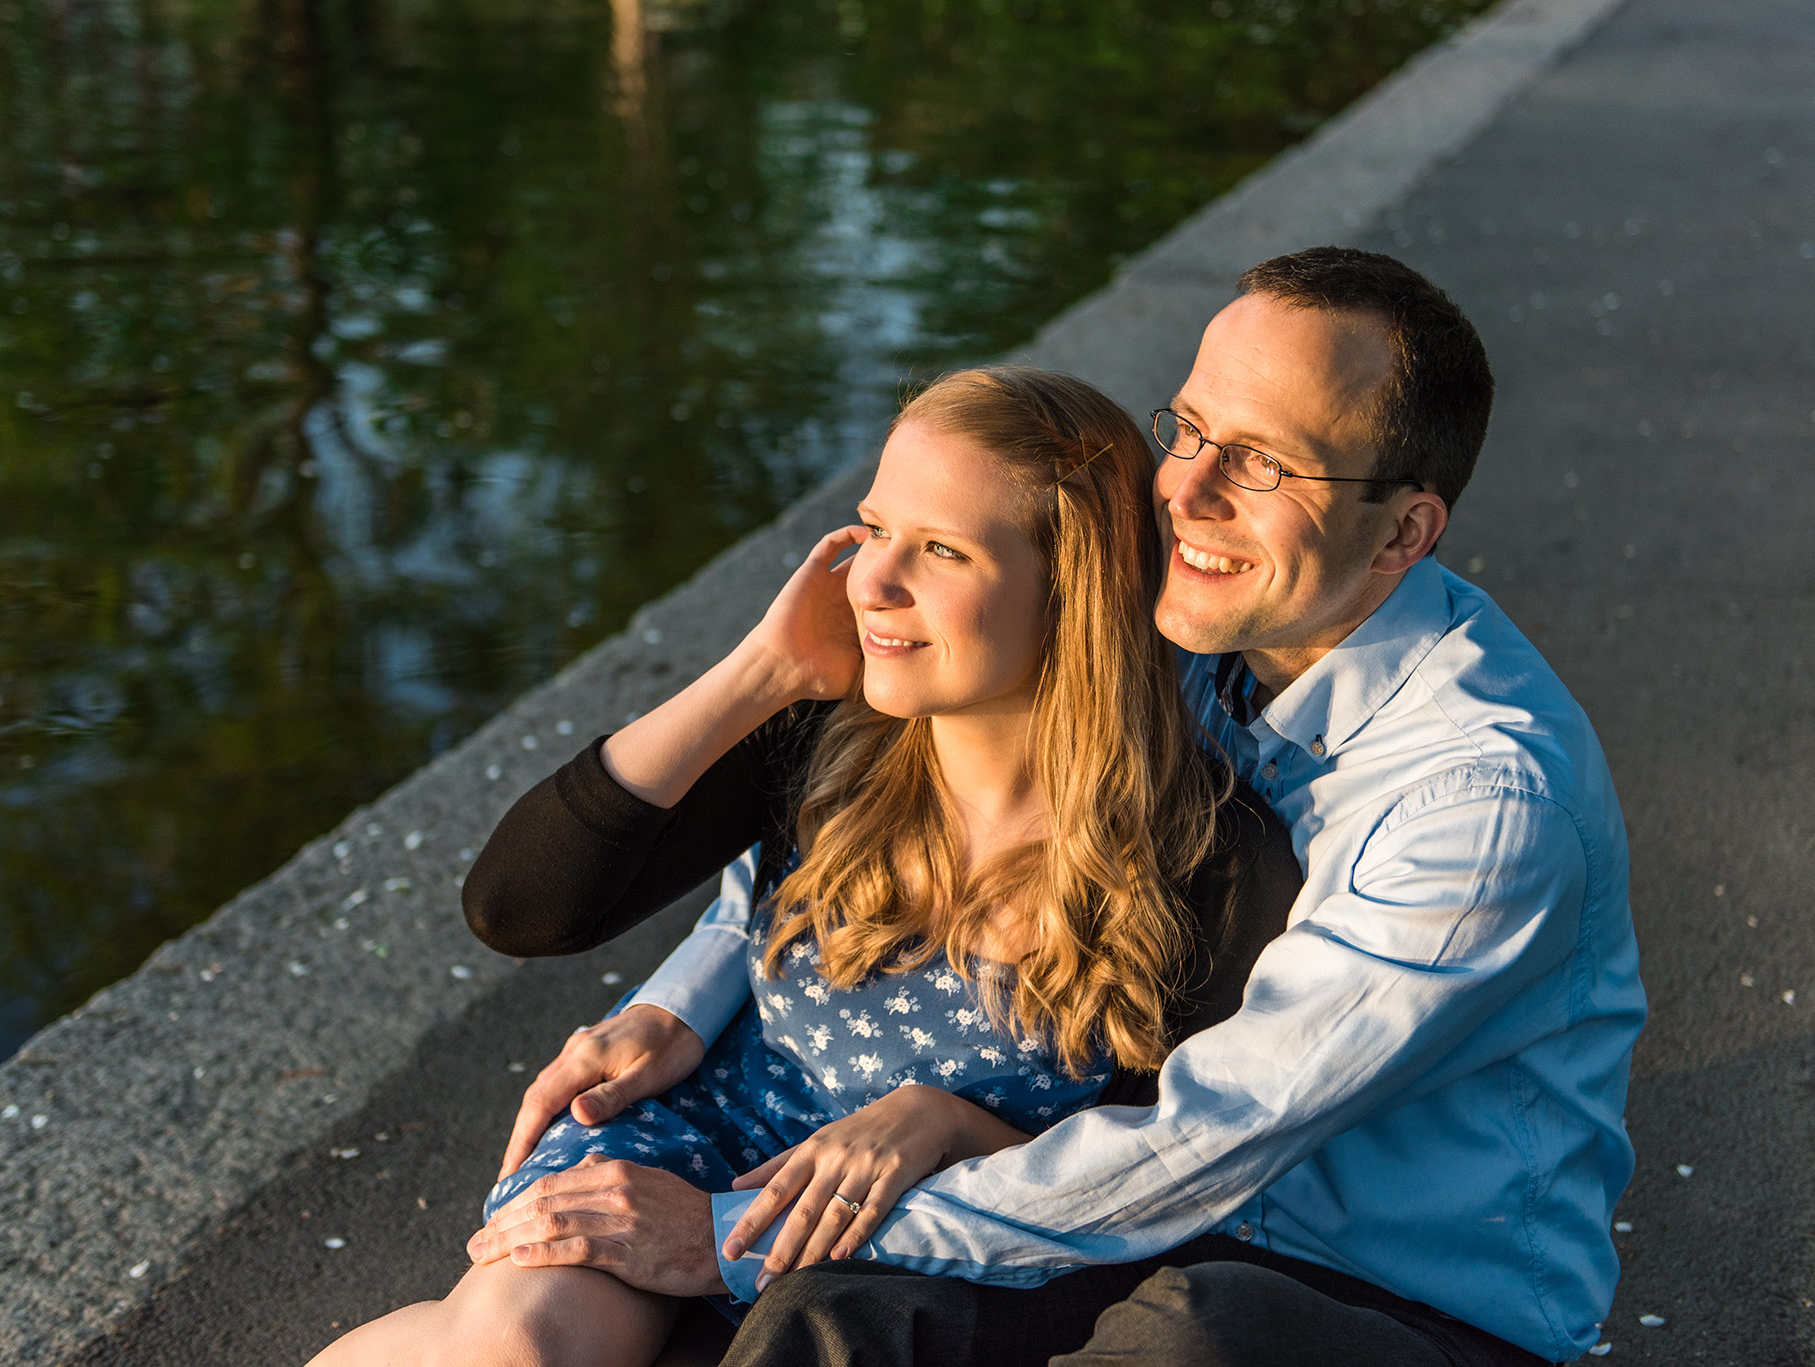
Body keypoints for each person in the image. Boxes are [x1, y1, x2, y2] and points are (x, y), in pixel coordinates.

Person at [485, 248, 1648, 1367]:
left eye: (1257, 464)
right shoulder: (1195, 613)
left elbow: (1208, 1137)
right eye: (1187, 428)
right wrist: (685, 1000)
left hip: (1369, 1288)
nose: (1182, 494)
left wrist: (731, 1234)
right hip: (1124, 1213)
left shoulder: (1478, 804)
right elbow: (839, 815)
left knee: (1176, 1340)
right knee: (831, 1322)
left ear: (1403, 530)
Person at [304, 366, 1302, 1367]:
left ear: (1069, 593)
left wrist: (948, 1123)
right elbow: (521, 904)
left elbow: (1175, 1179)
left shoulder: (1203, 860)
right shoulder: (832, 740)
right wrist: (765, 670)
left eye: (940, 550)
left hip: (912, 1258)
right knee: (515, 1345)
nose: (870, 581)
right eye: (873, 529)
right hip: (692, 1145)